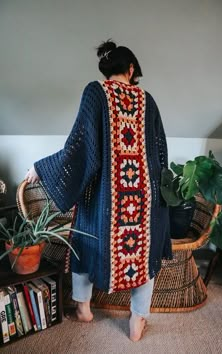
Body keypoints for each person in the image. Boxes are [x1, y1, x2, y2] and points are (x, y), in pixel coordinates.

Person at [25, 39, 173, 342]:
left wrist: (41, 167)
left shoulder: (96, 92)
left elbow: (78, 148)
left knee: (83, 244)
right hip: (144, 196)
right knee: (142, 255)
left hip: (106, 197)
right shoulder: (148, 99)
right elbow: (160, 155)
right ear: (131, 69)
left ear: (108, 68)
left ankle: (84, 310)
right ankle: (137, 320)